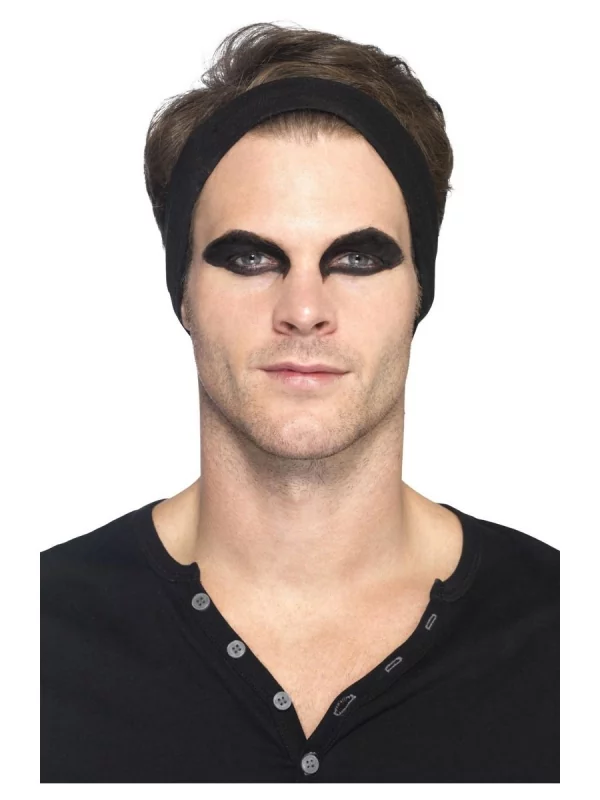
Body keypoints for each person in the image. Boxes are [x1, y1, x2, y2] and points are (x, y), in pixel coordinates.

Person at [40, 22, 559, 783]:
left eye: (358, 258)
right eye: (251, 257)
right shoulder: (34, 636)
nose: (305, 309)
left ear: (420, 291)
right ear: (183, 292)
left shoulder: (567, 633)